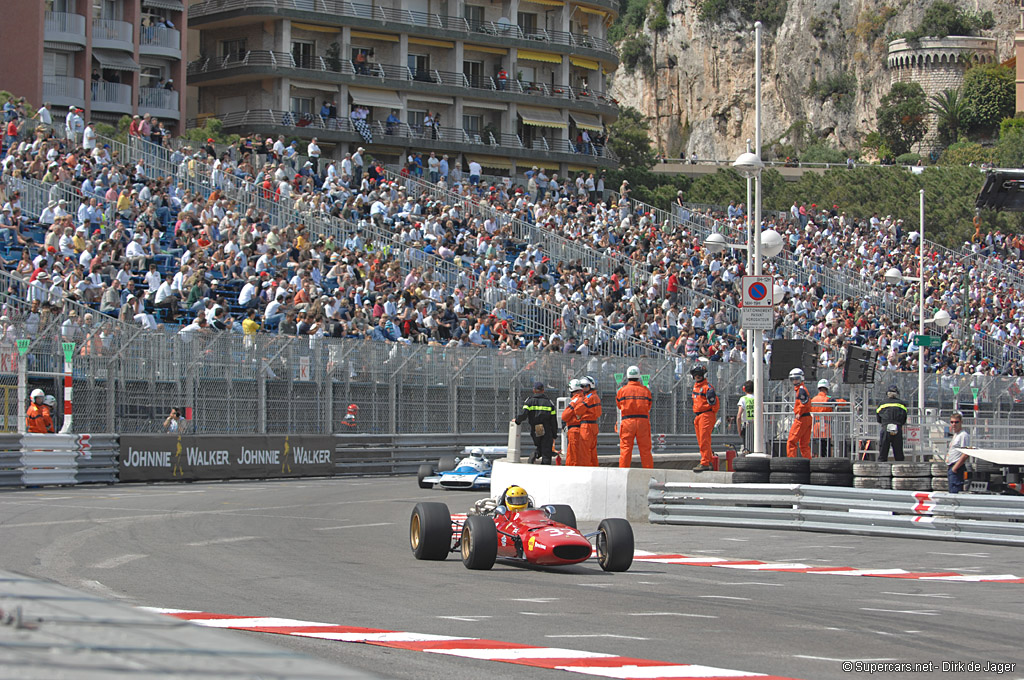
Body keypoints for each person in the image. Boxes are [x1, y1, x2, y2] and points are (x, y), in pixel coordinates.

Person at [617, 365, 653, 468]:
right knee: (645, 449)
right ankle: (648, 472)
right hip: (643, 421)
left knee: (625, 449)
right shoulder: (646, 390)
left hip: (627, 421)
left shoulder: (622, 390)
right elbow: (649, 405)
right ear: (639, 376)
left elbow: (619, 405)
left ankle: (623, 473)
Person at [514, 381, 557, 465]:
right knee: (546, 451)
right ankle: (544, 468)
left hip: (537, 428)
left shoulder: (530, 401)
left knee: (541, 445)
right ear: (543, 390)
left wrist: (517, 421)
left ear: (534, 390)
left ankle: (536, 454)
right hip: (547, 428)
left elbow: (524, 414)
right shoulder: (549, 402)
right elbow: (553, 420)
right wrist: (554, 434)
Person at [690, 364, 719, 471]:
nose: (697, 376)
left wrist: (709, 413)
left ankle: (705, 462)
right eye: (695, 375)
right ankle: (708, 459)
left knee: (704, 439)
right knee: (701, 440)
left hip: (706, 415)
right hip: (698, 415)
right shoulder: (696, 387)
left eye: (699, 375)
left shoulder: (708, 388)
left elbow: (714, 404)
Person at [573, 375, 601, 467]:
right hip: (593, 426)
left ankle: (586, 472)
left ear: (591, 386)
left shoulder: (589, 397)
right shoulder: (595, 396)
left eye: (585, 386)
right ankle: (595, 470)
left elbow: (578, 410)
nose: (583, 388)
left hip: (587, 427)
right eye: (582, 386)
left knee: (584, 451)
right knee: (593, 452)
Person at [876, 384, 908, 462]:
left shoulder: (882, 404)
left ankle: (881, 467)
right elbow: (904, 418)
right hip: (897, 427)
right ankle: (900, 467)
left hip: (886, 427)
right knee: (898, 450)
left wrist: (884, 423)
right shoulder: (902, 404)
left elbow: (878, 418)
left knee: (883, 449)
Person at [561, 379, 583, 466]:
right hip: (581, 429)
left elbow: (565, 416)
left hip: (574, 430)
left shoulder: (575, 400)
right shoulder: (584, 398)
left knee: (574, 455)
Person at [946, 412, 970, 494]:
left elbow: (966, 453)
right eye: (952, 422)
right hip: (951, 466)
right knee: (951, 491)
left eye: (956, 422)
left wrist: (955, 468)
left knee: (954, 493)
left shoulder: (963, 435)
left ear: (961, 422)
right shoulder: (956, 435)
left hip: (956, 467)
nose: (954, 424)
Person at [810, 378, 833, 457]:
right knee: (827, 449)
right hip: (826, 427)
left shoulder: (813, 400)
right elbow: (839, 402)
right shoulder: (828, 399)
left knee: (818, 447)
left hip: (816, 427)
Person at [735, 379, 754, 455]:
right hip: (757, 426)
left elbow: (739, 416)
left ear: (744, 389)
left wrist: (739, 429)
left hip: (747, 425)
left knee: (747, 448)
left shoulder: (743, 399)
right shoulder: (758, 398)